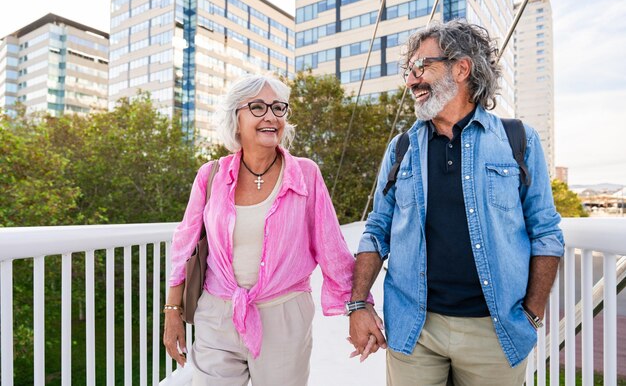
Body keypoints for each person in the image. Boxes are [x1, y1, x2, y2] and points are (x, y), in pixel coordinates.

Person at [347, 20, 564, 385]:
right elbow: (377, 229)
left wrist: (532, 314)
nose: (411, 80)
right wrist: (357, 305)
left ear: (462, 68)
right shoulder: (401, 149)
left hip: (494, 331)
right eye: (408, 70)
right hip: (414, 329)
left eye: (422, 66)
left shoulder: (518, 139)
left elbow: (546, 232)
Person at [163, 74, 362, 385]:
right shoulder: (210, 176)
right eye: (257, 107)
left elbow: (331, 247)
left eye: (278, 108)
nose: (271, 116)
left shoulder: (305, 175)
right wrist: (172, 311)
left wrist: (358, 309)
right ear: (236, 118)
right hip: (217, 314)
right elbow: (184, 247)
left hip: (284, 316)